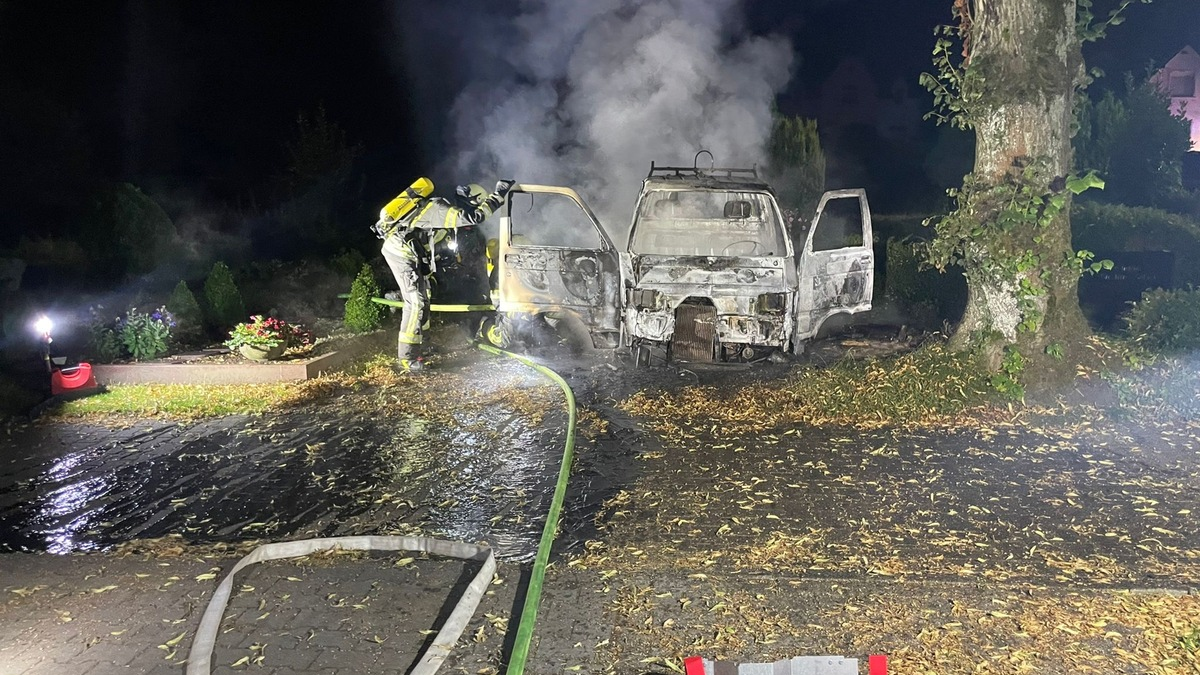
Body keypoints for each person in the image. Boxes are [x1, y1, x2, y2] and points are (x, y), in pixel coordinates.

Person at [373, 177, 514, 372]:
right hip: (401, 254)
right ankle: (407, 358)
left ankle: (424, 344)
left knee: (426, 296)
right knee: (416, 303)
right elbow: (476, 217)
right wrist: (499, 195)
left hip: (410, 252)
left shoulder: (439, 209)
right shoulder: (442, 211)